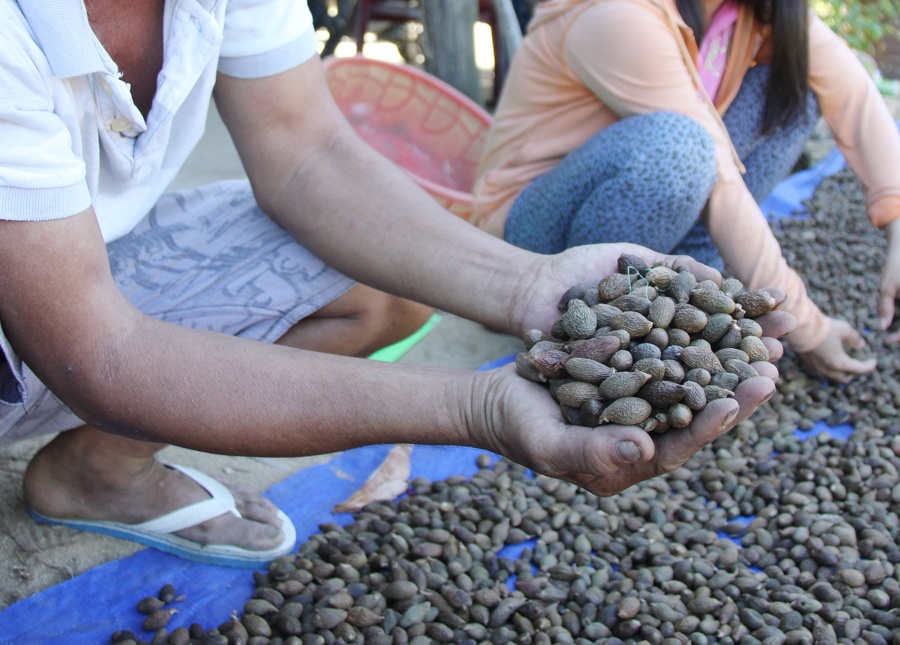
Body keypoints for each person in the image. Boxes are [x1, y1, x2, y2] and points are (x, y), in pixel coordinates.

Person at [0, 0, 792, 568]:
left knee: (382, 267)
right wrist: (475, 408)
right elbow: (97, 347)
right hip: (47, 324)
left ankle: (95, 471)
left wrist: (526, 284)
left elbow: (309, 155)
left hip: (71, 254)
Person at [471, 0, 900, 384]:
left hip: (649, 200)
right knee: (681, 146)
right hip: (532, 231)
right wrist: (810, 328)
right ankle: (581, 326)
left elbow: (851, 89)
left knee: (796, 78)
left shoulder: (750, 10)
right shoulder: (615, 13)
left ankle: (687, 286)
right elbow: (718, 176)